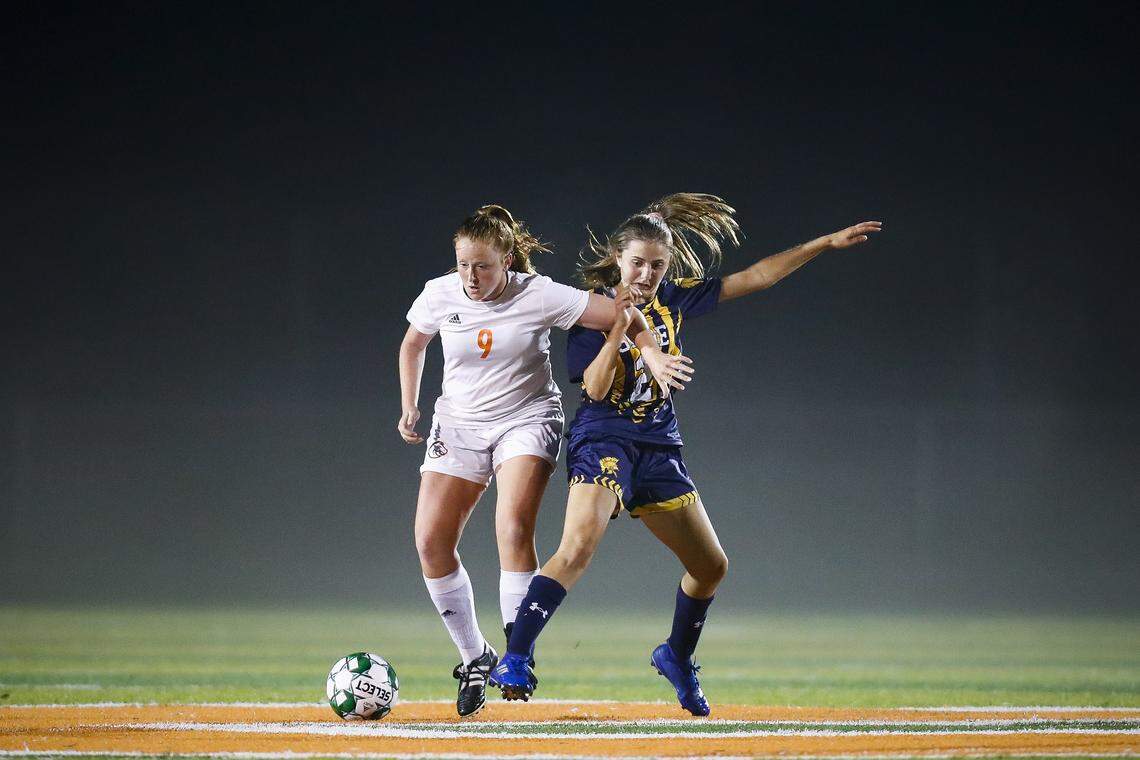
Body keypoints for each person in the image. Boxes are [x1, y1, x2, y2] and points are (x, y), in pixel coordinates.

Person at [491, 193, 881, 715]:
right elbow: (598, 389)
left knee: (710, 566)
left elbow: (758, 277)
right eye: (637, 262)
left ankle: (676, 655)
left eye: (657, 264)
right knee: (578, 546)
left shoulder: (676, 299)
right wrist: (619, 333)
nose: (647, 273)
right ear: (618, 258)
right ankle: (516, 656)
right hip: (603, 440)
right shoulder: (593, 307)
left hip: (658, 447)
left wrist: (824, 243)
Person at [398, 204, 692, 717]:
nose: (472, 276)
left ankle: (518, 654)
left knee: (512, 525)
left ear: (507, 260)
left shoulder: (539, 293)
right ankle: (475, 657)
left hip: (526, 418)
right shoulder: (440, 292)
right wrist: (409, 402)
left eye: (484, 265)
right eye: (464, 264)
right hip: (459, 424)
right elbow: (413, 344)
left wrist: (651, 353)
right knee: (429, 542)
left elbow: (625, 313)